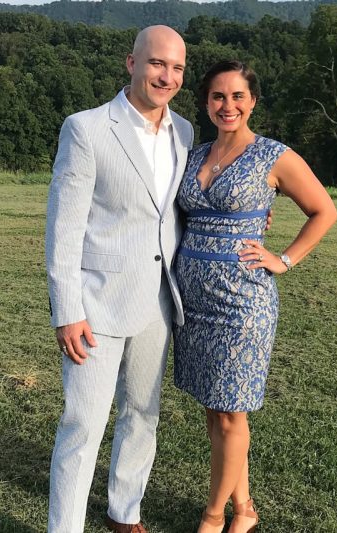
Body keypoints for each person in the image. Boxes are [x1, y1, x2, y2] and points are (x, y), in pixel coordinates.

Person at [172, 60, 337, 533]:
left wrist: (283, 259)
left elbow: (323, 211)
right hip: (194, 300)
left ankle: (212, 515)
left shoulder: (273, 155)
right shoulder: (194, 153)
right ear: (205, 102)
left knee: (230, 409)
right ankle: (244, 509)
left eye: (238, 97)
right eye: (218, 97)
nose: (228, 105)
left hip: (242, 301)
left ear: (253, 102)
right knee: (216, 408)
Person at [44, 26, 194, 533]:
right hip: (96, 305)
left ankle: (123, 512)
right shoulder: (86, 129)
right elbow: (63, 227)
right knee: (82, 424)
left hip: (157, 303)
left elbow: (182, 210)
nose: (166, 76)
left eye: (176, 68)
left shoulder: (186, 132)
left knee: (143, 415)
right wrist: (67, 310)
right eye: (157, 64)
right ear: (131, 63)